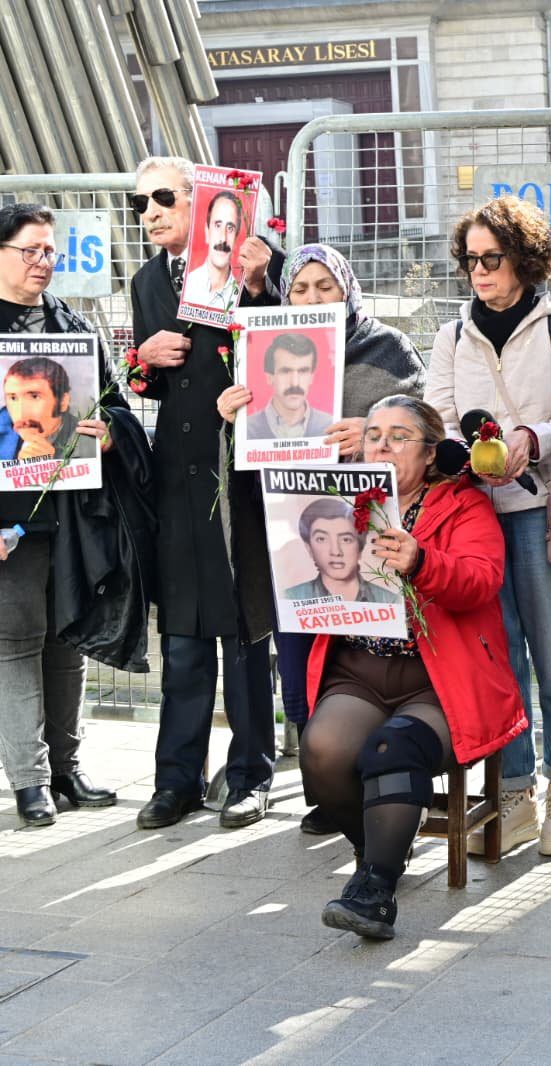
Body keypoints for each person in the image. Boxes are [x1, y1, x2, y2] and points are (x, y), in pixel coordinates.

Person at [300, 396, 524, 940]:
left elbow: (480, 581)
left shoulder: (464, 504)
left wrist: (421, 560)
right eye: (373, 434)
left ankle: (375, 889)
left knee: (393, 749)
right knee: (322, 750)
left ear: (429, 453)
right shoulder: (339, 498)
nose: (381, 444)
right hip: (360, 667)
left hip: (438, 678)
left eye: (399, 436)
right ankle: (377, 851)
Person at [217, 244, 425, 826]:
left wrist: (374, 430)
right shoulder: (265, 351)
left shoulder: (387, 347)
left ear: (347, 290)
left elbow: (423, 423)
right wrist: (232, 414)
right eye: (300, 289)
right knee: (300, 659)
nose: (311, 298)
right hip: (292, 535)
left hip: (367, 535)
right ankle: (327, 791)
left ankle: (372, 785)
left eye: (324, 287)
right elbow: (249, 454)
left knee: (359, 659)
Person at [425, 197, 551, 856]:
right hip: (475, 520)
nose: (478, 271)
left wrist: (531, 438)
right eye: (469, 260)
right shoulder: (451, 336)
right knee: (500, 667)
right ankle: (515, 794)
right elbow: (438, 419)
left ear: (525, 260)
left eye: (491, 258)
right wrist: (458, 453)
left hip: (546, 512)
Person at [128, 155, 284, 831]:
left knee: (245, 628)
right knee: (184, 631)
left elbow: (292, 348)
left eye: (163, 197)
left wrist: (256, 286)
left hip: (240, 471)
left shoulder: (256, 264)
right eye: (139, 203)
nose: (150, 212)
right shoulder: (145, 281)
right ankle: (177, 778)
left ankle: (251, 773)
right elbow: (144, 384)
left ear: (206, 201)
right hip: (178, 471)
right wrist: (142, 362)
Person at [0, 203, 147, 827]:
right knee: (12, 645)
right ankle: (28, 782)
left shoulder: (73, 326)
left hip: (74, 515)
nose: (44, 262)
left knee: (69, 638)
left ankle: (67, 770)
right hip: (10, 524)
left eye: (50, 251)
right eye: (30, 250)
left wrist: (108, 433)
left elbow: (115, 407)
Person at [283, 497, 399, 604]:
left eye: (346, 539)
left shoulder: (390, 600)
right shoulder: (290, 598)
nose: (336, 551)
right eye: (322, 539)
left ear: (360, 546)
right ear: (309, 548)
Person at [243, 333, 333, 440]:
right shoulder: (246, 428)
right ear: (269, 377)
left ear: (311, 377)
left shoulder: (331, 426)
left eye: (303, 371)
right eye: (285, 371)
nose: (295, 383)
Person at [1, 357, 80, 461]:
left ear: (62, 402)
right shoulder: (3, 433)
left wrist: (51, 465)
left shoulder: (87, 441)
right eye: (13, 398)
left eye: (34, 397)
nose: (21, 414)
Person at [181, 188, 242, 310]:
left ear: (236, 238)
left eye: (230, 228)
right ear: (207, 232)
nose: (223, 238)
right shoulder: (186, 285)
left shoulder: (242, 296)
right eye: (218, 225)